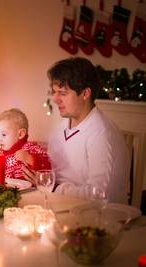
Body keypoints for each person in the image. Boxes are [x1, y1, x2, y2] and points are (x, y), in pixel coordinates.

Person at [43, 57, 128, 203]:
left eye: (63, 93)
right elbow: (52, 170)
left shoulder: (101, 133)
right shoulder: (61, 125)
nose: (56, 99)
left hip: (98, 217)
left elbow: (99, 194)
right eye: (55, 92)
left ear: (85, 93)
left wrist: (54, 187)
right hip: (59, 203)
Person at [0, 108, 51, 181]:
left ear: (21, 134)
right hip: (8, 191)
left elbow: (47, 167)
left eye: (4, 135)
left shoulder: (31, 148)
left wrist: (30, 159)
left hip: (30, 191)